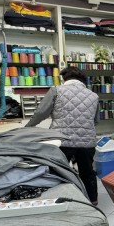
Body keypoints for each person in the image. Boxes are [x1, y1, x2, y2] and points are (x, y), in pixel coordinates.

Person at [26, 66, 99, 204]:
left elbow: (41, 113)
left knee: (59, 172)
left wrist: (28, 127)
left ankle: (62, 201)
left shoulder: (56, 90)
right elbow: (96, 120)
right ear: (83, 80)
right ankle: (93, 201)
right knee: (88, 172)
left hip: (62, 141)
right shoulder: (93, 96)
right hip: (87, 142)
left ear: (64, 79)